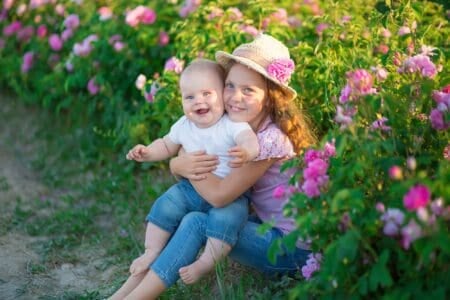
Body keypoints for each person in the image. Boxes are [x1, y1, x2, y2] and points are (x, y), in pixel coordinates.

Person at [109, 33, 317, 300]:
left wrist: (182, 163)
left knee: (196, 223)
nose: (235, 97)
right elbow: (187, 147)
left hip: (291, 248)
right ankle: (125, 292)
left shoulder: (268, 140)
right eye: (230, 85)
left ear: (270, 97)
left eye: (248, 90)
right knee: (186, 212)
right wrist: (177, 162)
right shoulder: (236, 122)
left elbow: (219, 196)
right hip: (267, 225)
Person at [121, 58, 260, 291]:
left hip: (230, 194)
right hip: (192, 190)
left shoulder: (230, 124)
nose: (199, 101)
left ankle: (205, 263)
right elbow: (166, 145)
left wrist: (246, 151)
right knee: (167, 203)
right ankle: (151, 251)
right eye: (190, 97)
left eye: (207, 93)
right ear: (183, 101)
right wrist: (147, 152)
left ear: (221, 95)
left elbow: (249, 139)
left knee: (227, 219)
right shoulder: (184, 125)